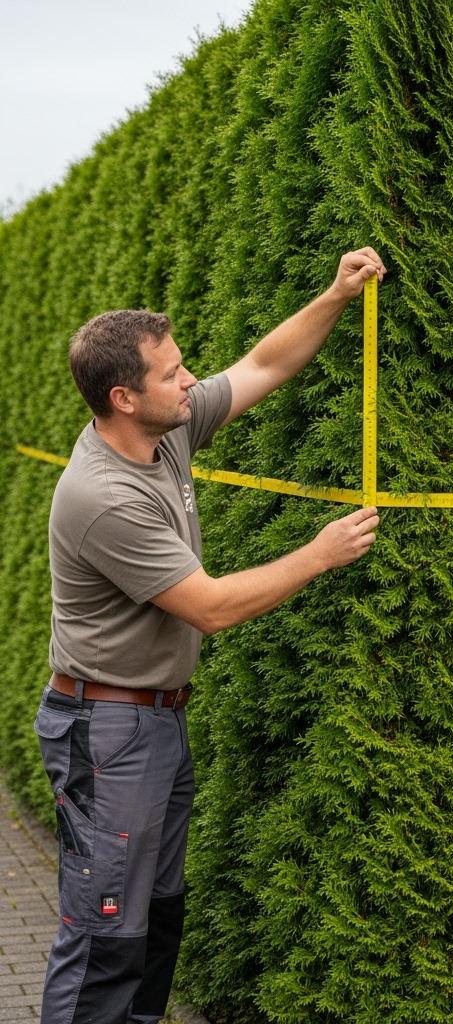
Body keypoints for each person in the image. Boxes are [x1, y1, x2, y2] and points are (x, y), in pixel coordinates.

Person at [35, 248, 386, 1024]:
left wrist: (337, 293)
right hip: (109, 730)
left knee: (155, 922)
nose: (190, 380)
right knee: (104, 938)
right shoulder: (104, 495)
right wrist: (319, 554)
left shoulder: (163, 434)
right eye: (173, 373)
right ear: (124, 397)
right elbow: (213, 606)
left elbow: (264, 364)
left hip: (152, 719)